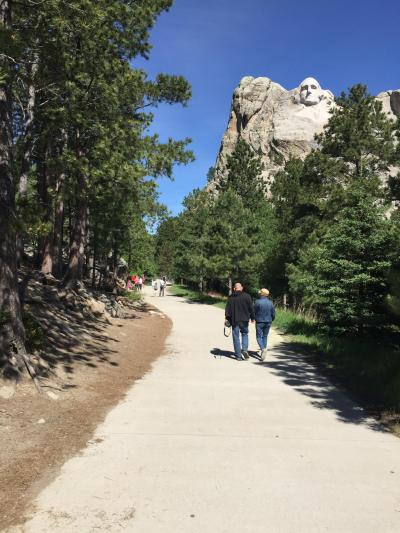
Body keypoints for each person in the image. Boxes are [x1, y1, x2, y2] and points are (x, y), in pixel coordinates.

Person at [225, 282, 255, 360]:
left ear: (234, 288)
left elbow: (228, 310)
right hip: (245, 320)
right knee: (245, 334)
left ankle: (238, 355)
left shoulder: (231, 297)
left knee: (236, 337)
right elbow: (251, 308)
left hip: (235, 320)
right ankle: (244, 350)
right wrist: (252, 318)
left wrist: (227, 320)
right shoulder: (247, 296)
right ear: (241, 288)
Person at [254, 288, 275, 361]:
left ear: (261, 294)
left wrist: (253, 318)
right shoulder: (270, 302)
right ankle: (264, 350)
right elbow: (273, 313)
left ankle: (263, 349)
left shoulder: (257, 302)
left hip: (259, 321)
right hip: (268, 321)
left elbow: (254, 311)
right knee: (265, 336)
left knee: (258, 337)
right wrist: (272, 319)